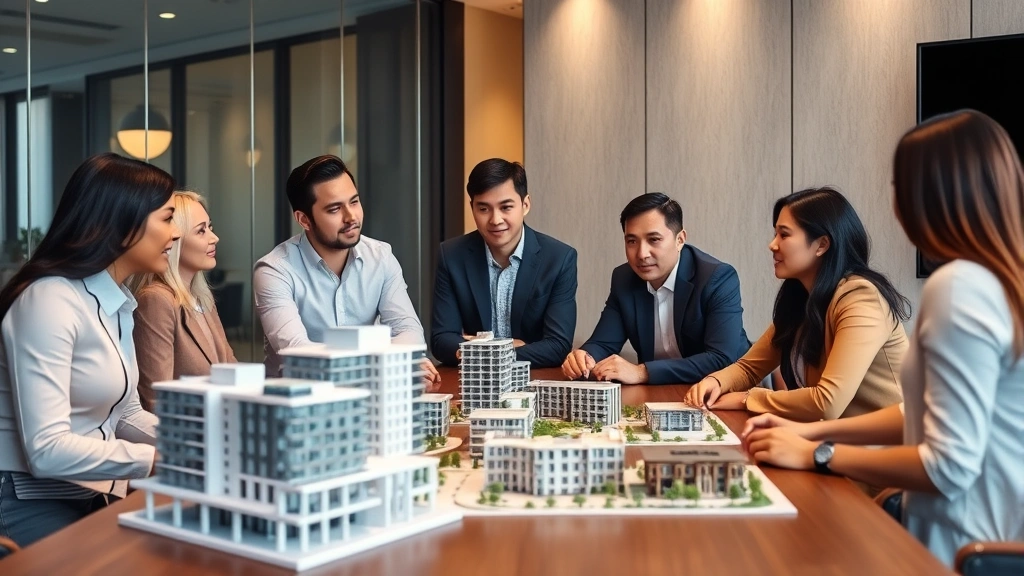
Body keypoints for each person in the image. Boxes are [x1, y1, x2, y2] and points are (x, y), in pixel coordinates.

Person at [742, 110, 1024, 566]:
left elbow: (946, 465)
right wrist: (810, 433)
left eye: (898, 186)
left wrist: (818, 453)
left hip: (955, 548)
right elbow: (921, 412)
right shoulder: (1000, 282)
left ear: (923, 199)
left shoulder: (958, 287)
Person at [0, 153, 176, 546]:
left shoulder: (117, 303)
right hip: (21, 499)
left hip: (86, 492)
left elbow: (126, 413)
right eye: (166, 218)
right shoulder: (49, 301)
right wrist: (157, 460)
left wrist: (196, 443)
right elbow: (46, 450)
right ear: (123, 220)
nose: (175, 233)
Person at [684, 187, 909, 420]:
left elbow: (827, 402)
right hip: (832, 440)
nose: (772, 245)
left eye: (784, 235)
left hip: (886, 447)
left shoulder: (861, 297)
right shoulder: (803, 297)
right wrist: (715, 381)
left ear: (821, 245)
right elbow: (749, 367)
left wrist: (747, 399)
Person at [254, 155, 440, 389]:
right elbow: (299, 352)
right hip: (296, 407)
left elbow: (409, 332)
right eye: (334, 209)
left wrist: (395, 361)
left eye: (354, 202)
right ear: (304, 219)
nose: (351, 217)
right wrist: (389, 365)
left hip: (367, 403)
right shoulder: (274, 270)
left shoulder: (380, 257)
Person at [562, 192, 749, 385]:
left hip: (729, 390)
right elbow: (603, 342)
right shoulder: (624, 278)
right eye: (631, 241)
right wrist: (584, 358)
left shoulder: (717, 278)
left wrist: (643, 372)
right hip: (660, 393)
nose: (642, 254)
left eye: (654, 239)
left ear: (680, 240)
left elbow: (720, 358)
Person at [431, 158, 577, 368]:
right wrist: (511, 347)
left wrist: (478, 348)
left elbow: (557, 346)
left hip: (533, 382)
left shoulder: (559, 259)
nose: (495, 219)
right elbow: (441, 340)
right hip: (474, 383)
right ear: (472, 207)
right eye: (484, 209)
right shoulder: (452, 255)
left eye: (506, 207)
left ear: (525, 205)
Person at [131, 191, 237, 411]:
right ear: (175, 241)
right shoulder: (156, 300)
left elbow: (232, 370)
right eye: (201, 231)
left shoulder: (202, 298)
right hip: (188, 436)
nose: (214, 238)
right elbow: (157, 400)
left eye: (211, 227)